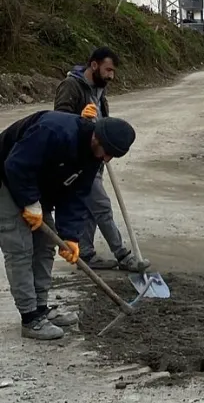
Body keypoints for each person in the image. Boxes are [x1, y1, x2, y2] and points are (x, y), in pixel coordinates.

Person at [0, 111, 136, 340]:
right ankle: (30, 318)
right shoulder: (55, 130)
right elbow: (16, 165)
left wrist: (70, 236)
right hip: (5, 176)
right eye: (109, 153)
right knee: (20, 247)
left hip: (32, 184)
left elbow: (76, 195)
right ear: (97, 139)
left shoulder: (93, 158)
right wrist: (30, 201)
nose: (107, 160)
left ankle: (41, 308)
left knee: (46, 243)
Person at [53, 47, 148, 273]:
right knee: (102, 206)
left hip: (96, 157)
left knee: (90, 209)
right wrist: (80, 120)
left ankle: (85, 254)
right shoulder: (71, 86)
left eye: (113, 71)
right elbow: (59, 120)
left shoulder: (100, 91)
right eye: (108, 70)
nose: (111, 76)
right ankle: (123, 255)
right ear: (94, 65)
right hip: (78, 159)